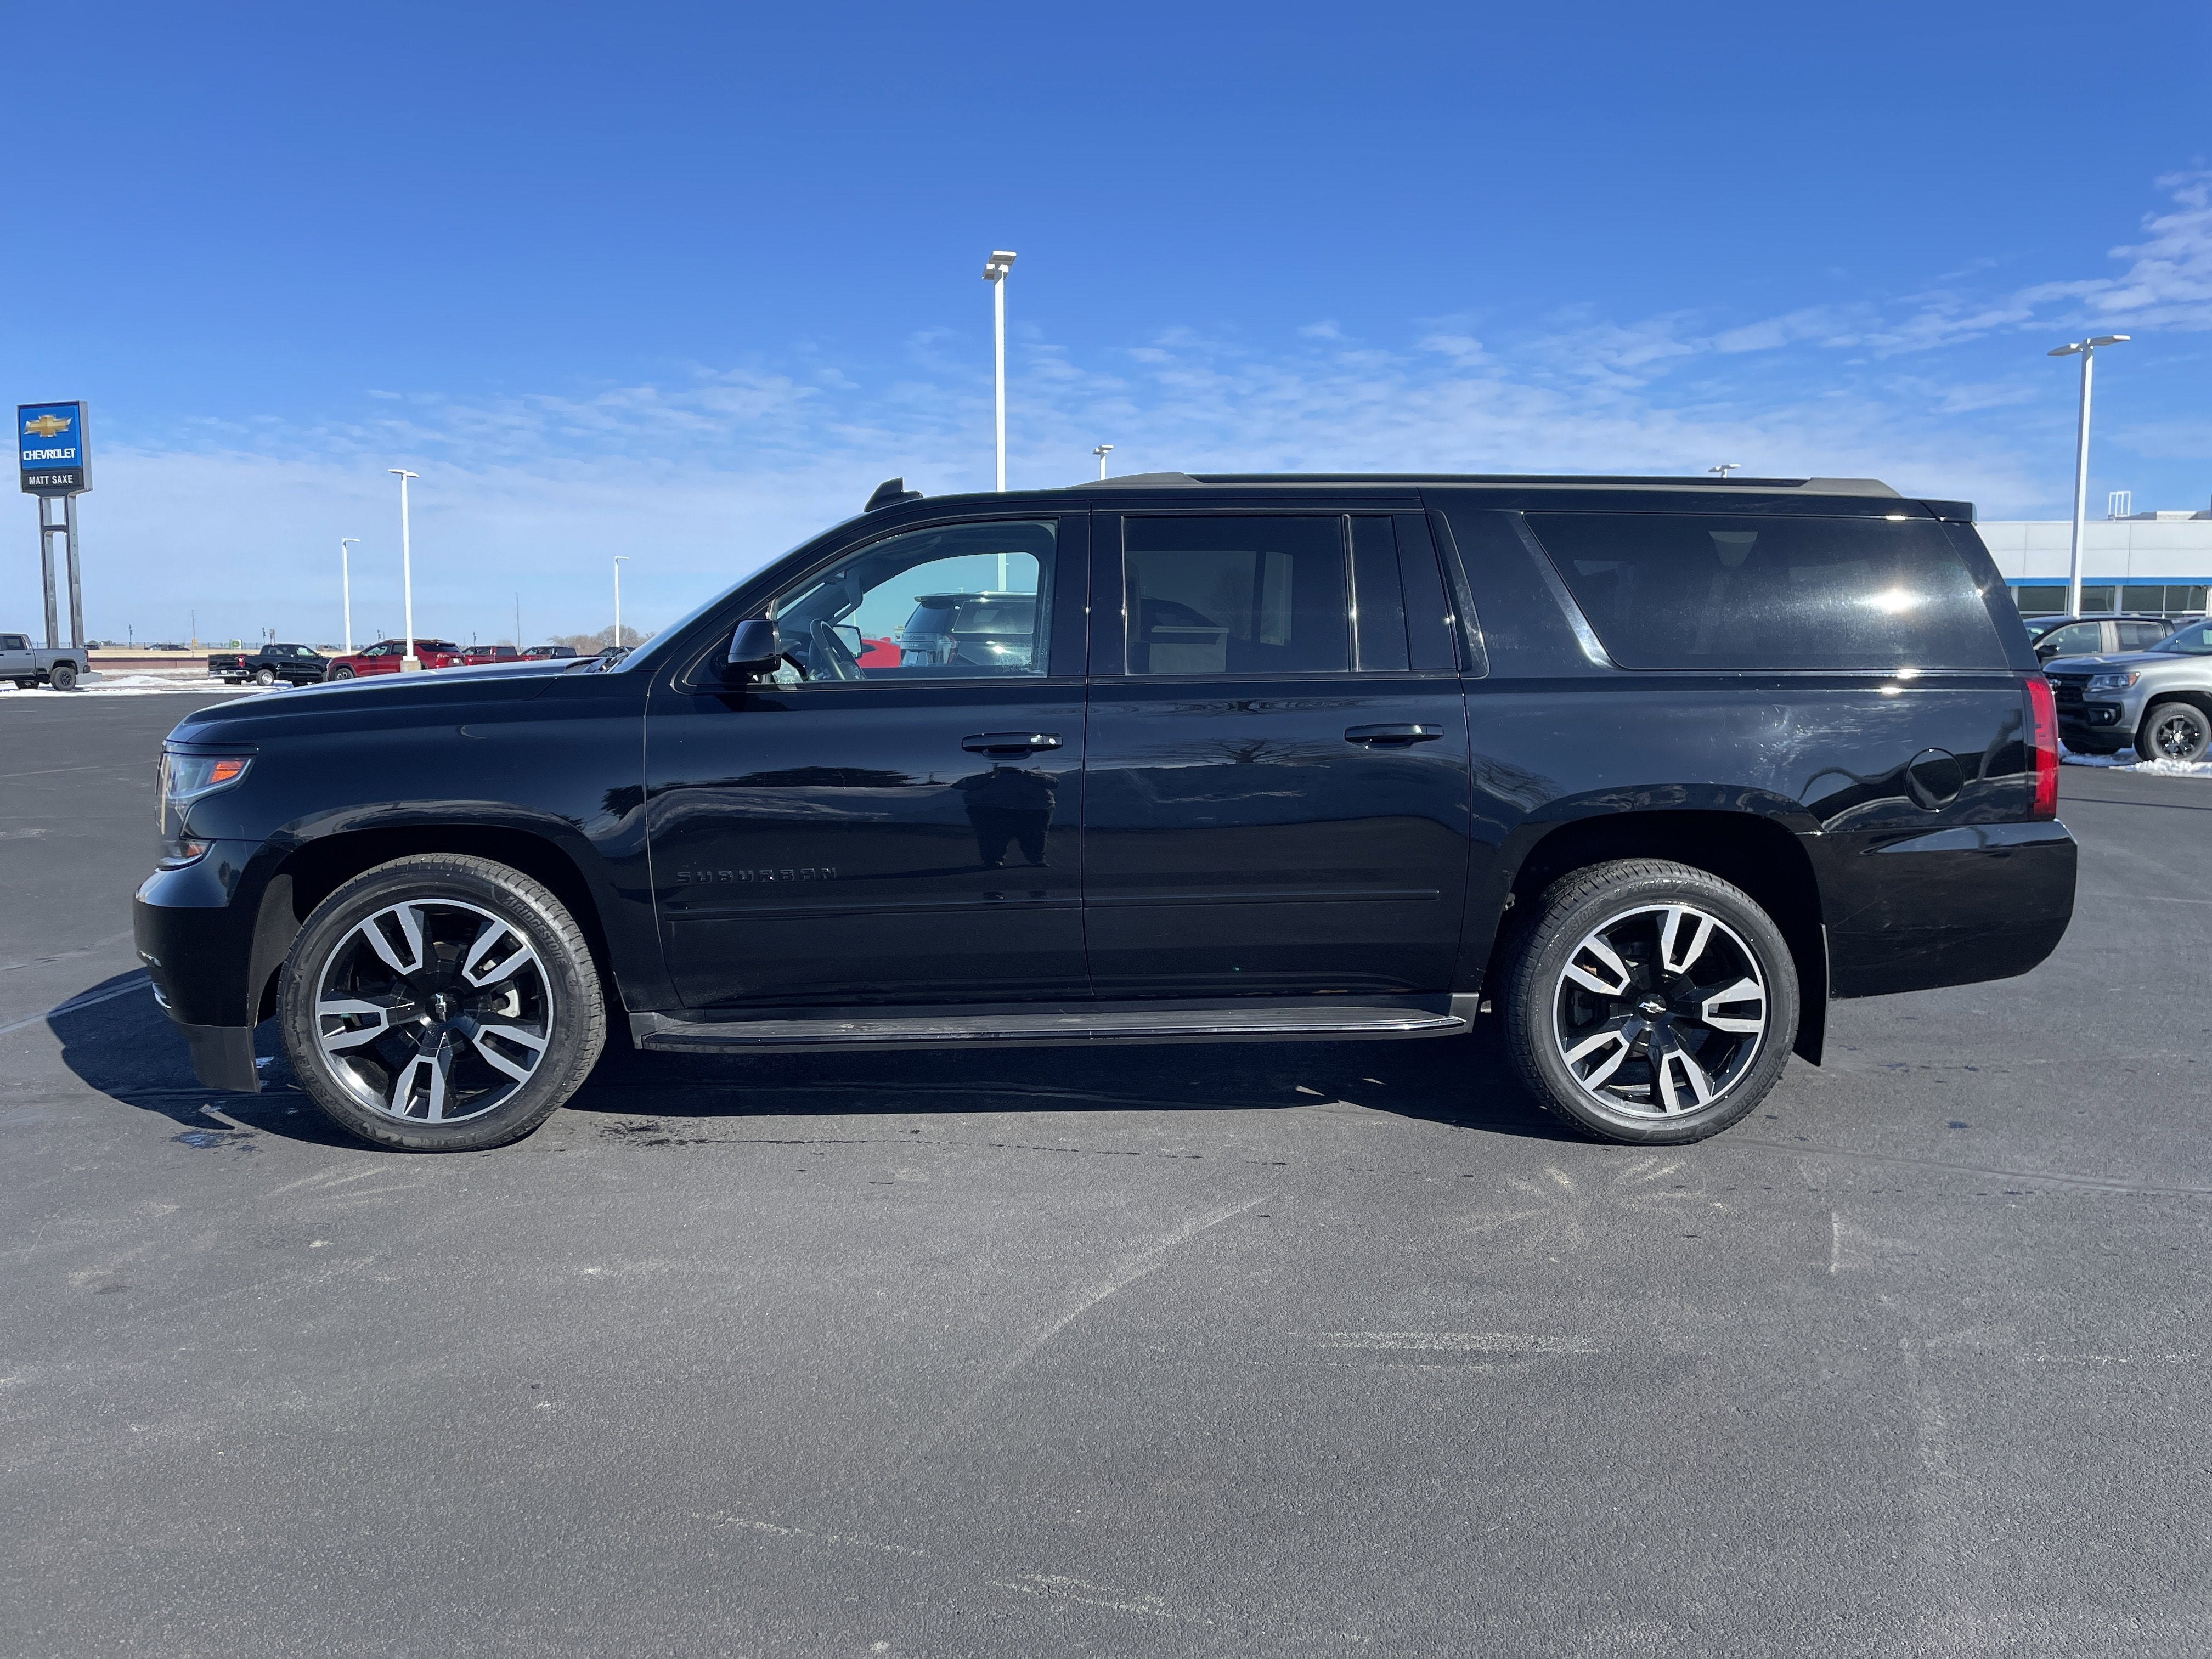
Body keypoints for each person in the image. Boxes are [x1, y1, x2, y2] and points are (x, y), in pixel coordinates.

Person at [951, 764, 1057, 868]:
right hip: (1032, 810)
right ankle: (1036, 859)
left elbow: (959, 785)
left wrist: (988, 776)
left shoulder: (989, 779)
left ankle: (993, 861)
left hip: (992, 810)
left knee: (991, 836)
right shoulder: (1029, 778)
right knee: (1035, 836)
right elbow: (1054, 783)